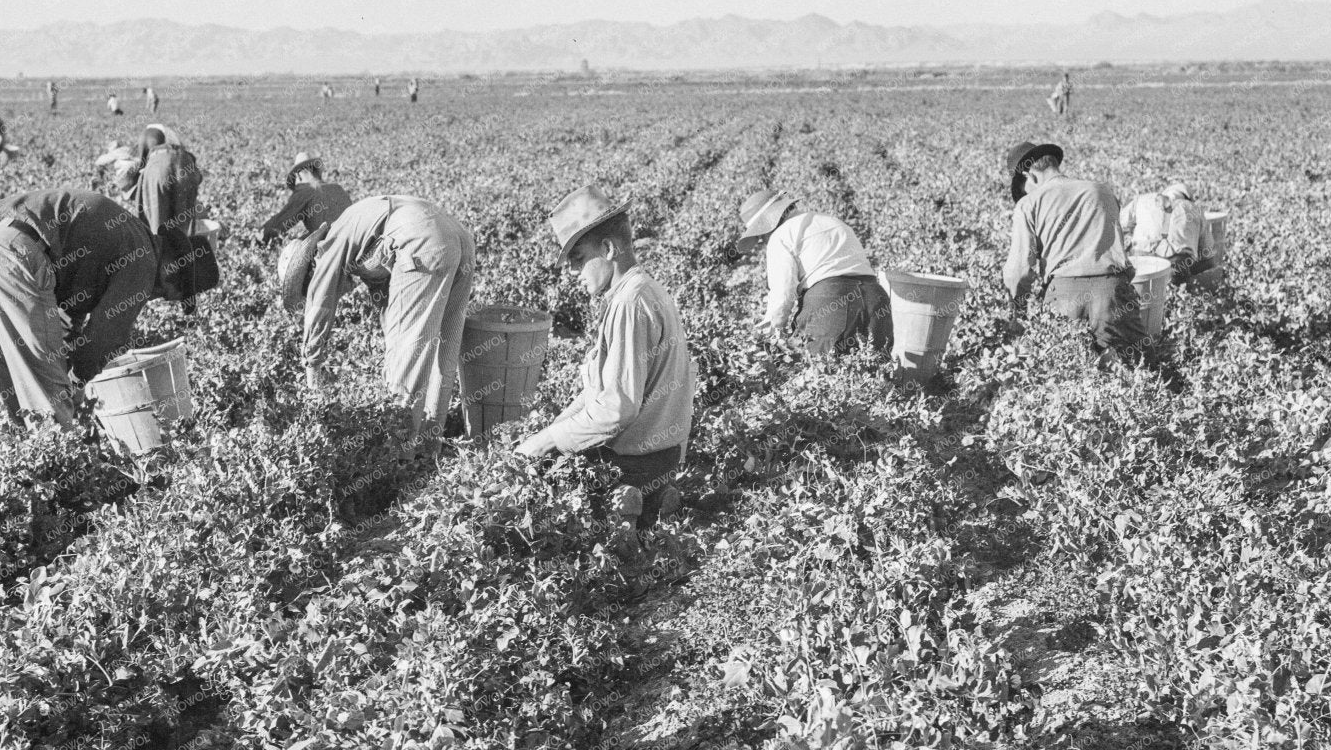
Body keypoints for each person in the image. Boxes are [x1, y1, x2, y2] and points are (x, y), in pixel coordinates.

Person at [518, 183, 693, 540]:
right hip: (660, 453)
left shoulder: (630, 303)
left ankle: (631, 513)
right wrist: (551, 432)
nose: (572, 272)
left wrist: (546, 442)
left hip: (640, 459)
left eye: (579, 258)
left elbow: (617, 408)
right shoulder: (636, 291)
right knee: (550, 452)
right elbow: (597, 391)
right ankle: (652, 504)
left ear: (609, 249)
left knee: (540, 512)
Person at [0, 188, 159, 429]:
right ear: (171, 273)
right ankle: (61, 458)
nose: (157, 297)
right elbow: (106, 335)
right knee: (48, 396)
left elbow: (67, 315)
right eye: (170, 293)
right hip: (7, 251)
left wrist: (71, 368)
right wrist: (75, 381)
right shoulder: (144, 256)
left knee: (9, 379)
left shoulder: (120, 233)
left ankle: (24, 448)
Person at [280, 193, 476, 423]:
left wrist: (312, 370)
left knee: (409, 352)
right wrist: (391, 348)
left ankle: (400, 449)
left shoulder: (326, 249)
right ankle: (428, 442)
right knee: (445, 342)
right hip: (457, 237)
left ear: (310, 271)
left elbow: (319, 303)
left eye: (306, 287)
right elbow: (388, 305)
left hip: (420, 242)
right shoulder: (359, 240)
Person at [1002, 141, 1146, 358]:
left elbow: (1019, 271)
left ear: (1030, 176)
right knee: (1139, 368)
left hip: (1063, 297)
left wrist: (1018, 310)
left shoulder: (1029, 204)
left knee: (1066, 377)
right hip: (1113, 293)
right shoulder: (1102, 191)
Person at [733, 188, 891, 364]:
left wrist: (765, 338)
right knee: (875, 370)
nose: (762, 240)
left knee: (824, 374)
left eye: (760, 234)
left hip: (832, 302)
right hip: (875, 299)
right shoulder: (833, 221)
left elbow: (782, 294)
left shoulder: (780, 236)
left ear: (768, 224)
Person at [133, 125, 206, 311]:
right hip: (186, 164)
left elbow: (140, 166)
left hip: (159, 168)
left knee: (157, 234)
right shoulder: (172, 137)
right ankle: (184, 289)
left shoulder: (147, 134)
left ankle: (161, 288)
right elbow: (198, 177)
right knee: (179, 234)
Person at [258, 151, 352, 243]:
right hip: (353, 242)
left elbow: (279, 225)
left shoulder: (304, 193)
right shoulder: (338, 188)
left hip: (329, 249)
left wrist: (258, 236)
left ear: (298, 176)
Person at [1122, 181, 1208, 280]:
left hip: (1142, 258)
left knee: (1139, 287)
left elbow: (1120, 223)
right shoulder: (1195, 209)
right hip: (1176, 262)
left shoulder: (1143, 199)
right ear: (1188, 198)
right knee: (1179, 288)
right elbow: (1207, 256)